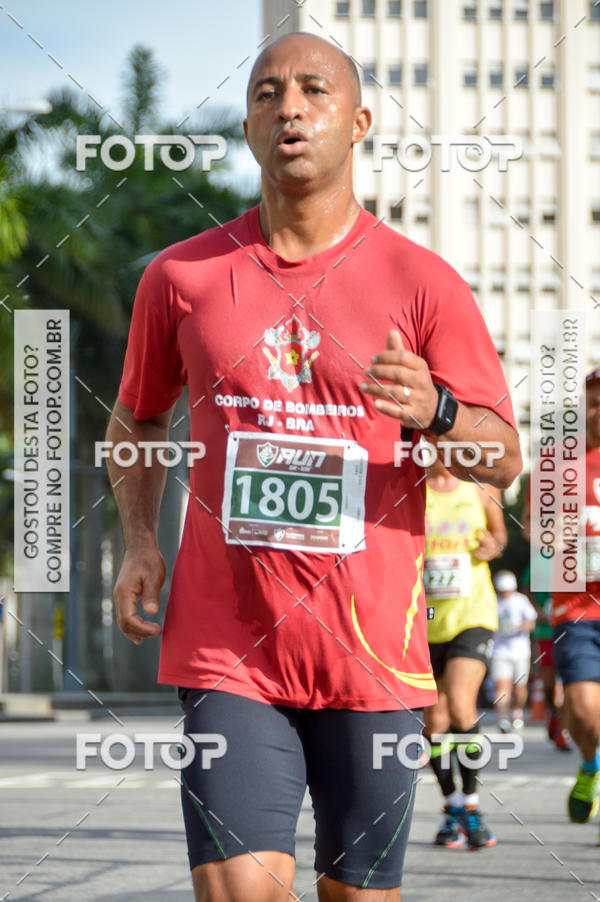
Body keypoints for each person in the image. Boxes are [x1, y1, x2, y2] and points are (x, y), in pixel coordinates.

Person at [105, 32, 522, 902]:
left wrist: (437, 411)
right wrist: (140, 540)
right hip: (230, 648)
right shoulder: (180, 277)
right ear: (250, 126)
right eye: (267, 93)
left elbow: (504, 458)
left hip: (374, 656)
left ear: (359, 120)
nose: (289, 107)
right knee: (239, 892)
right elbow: (138, 417)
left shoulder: (423, 283)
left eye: (313, 90)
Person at [423, 456, 506, 849]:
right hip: (425, 619)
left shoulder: (480, 487)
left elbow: (500, 537)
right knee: (434, 721)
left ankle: (471, 806)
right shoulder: (407, 490)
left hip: (472, 614)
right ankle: (452, 807)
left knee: (459, 705)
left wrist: (493, 545)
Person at [549, 370, 600, 827]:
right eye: (594, 401)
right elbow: (534, 534)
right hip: (578, 610)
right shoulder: (562, 465)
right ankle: (589, 766)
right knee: (584, 712)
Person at [490, 570, 537, 732]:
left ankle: (517, 713)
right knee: (502, 687)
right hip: (499, 652)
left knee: (520, 687)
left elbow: (532, 622)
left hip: (520, 652)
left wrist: (518, 627)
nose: (505, 594)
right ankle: (502, 719)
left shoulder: (521, 600)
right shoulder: (493, 601)